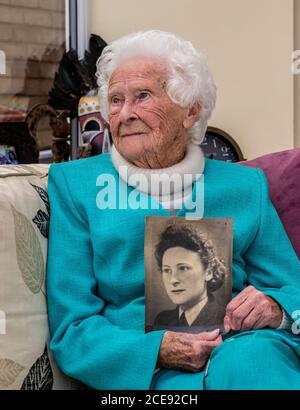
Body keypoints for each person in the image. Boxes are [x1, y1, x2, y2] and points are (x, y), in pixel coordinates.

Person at [46, 30, 300, 390]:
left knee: (253, 363)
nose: (125, 113)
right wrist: (157, 350)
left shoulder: (245, 187)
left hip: (244, 349)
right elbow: (72, 326)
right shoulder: (77, 186)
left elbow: (293, 287)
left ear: (191, 111)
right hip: (144, 367)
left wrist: (276, 307)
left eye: (143, 96)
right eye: (115, 100)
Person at [153, 223, 227, 331]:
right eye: (167, 270)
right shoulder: (161, 320)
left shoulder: (224, 317)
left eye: (183, 268)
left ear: (208, 272)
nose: (173, 280)